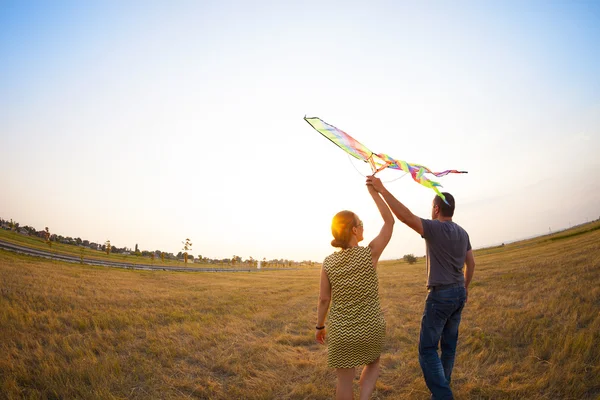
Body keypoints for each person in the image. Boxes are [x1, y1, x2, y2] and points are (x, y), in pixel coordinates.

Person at [366, 176, 475, 400]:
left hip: (441, 295)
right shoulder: (463, 233)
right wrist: (464, 288)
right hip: (458, 293)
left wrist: (382, 189)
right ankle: (442, 391)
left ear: (436, 209)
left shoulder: (434, 228)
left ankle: (443, 395)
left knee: (427, 349)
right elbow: (471, 263)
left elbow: (405, 217)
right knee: (449, 347)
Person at [315, 179, 395, 400]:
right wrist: (374, 192)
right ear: (353, 230)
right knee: (373, 363)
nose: (363, 227)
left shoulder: (328, 263)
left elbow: (323, 299)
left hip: (341, 332)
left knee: (344, 381)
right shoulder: (369, 255)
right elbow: (389, 222)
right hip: (371, 327)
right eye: (360, 223)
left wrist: (320, 326)